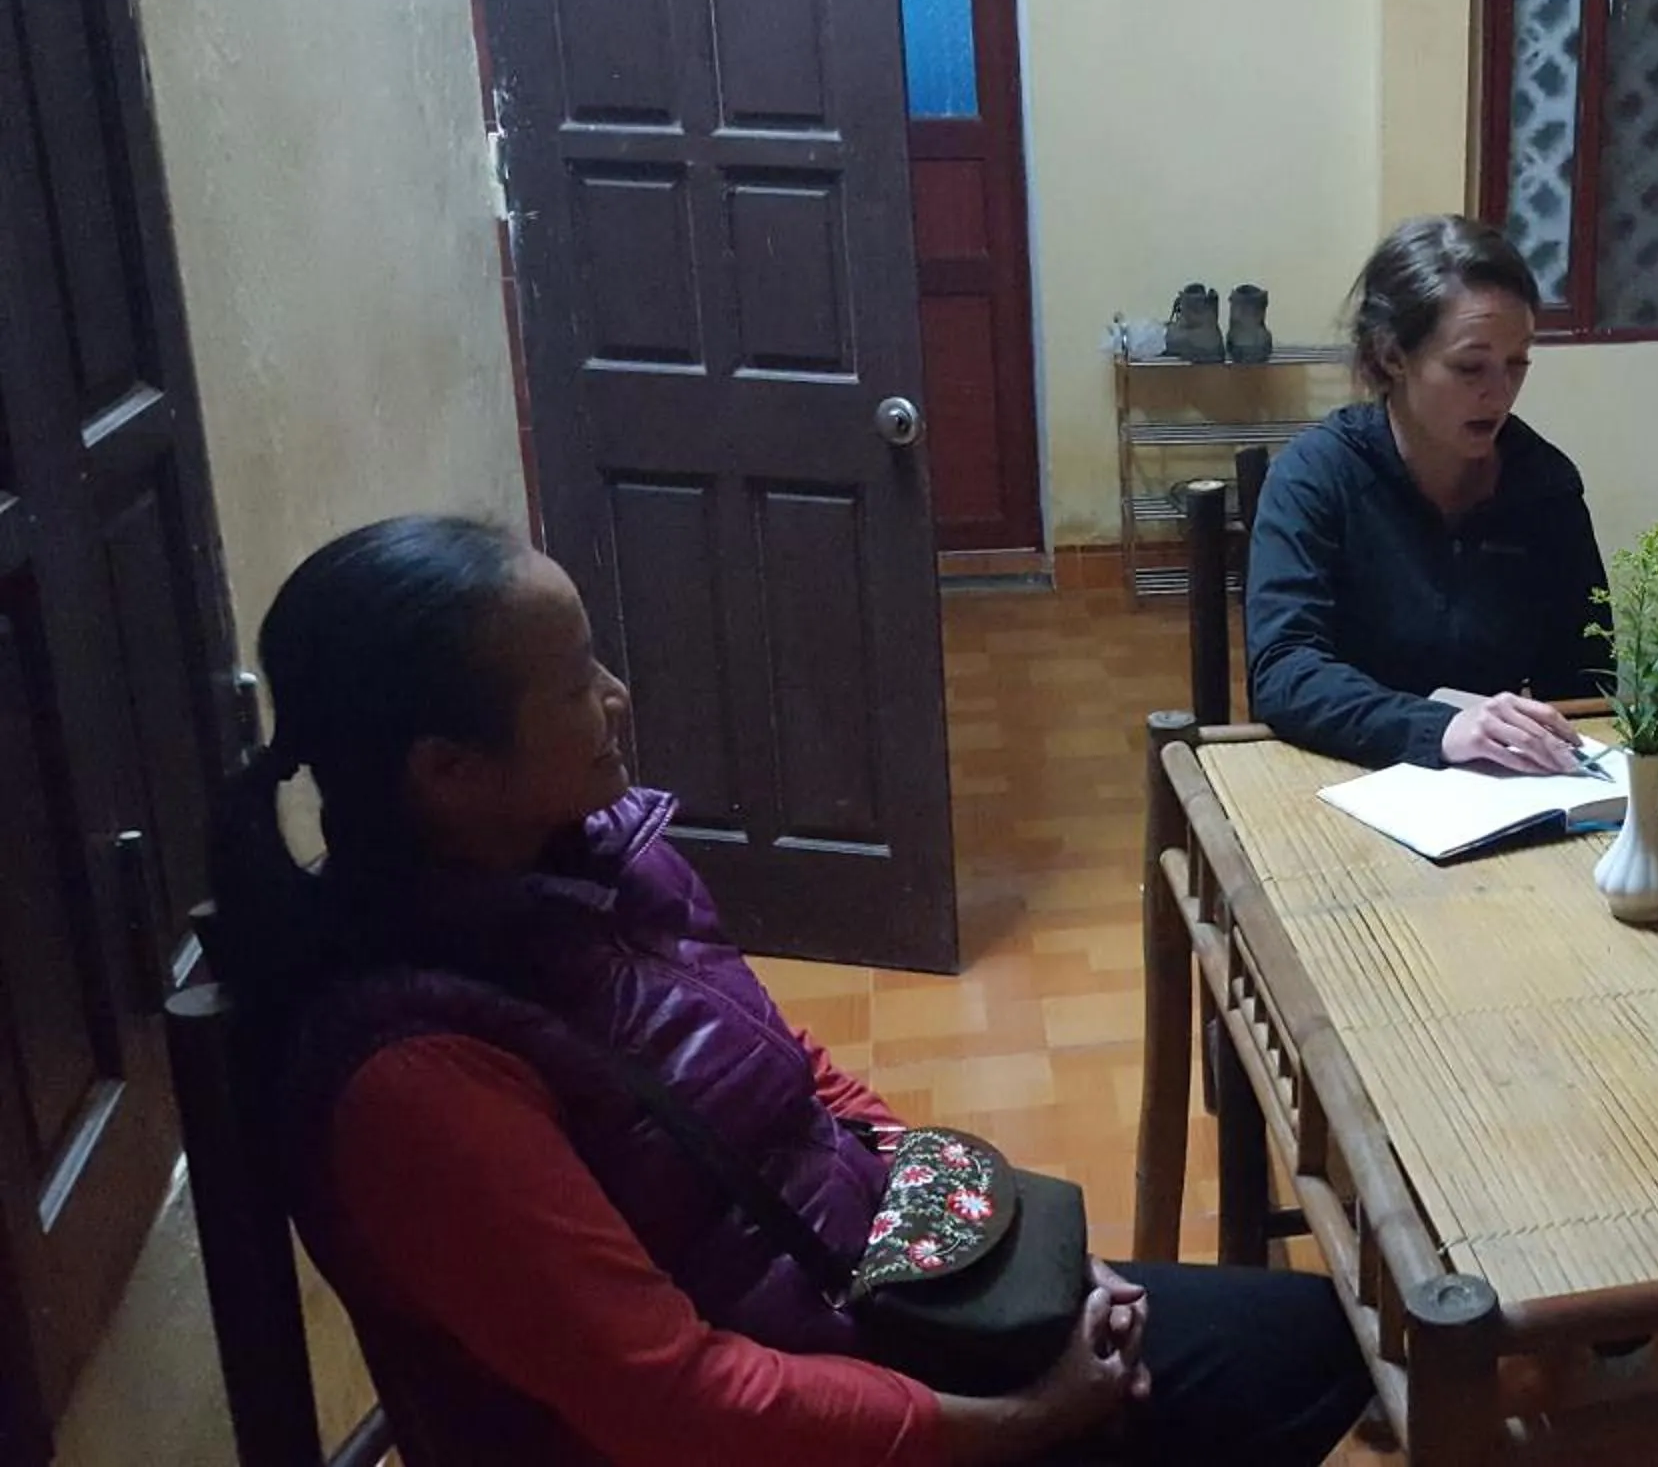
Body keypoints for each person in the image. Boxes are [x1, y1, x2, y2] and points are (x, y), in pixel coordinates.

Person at [207, 516, 1373, 1467]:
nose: (617, 694)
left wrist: (1023, 1260)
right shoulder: (414, 1079)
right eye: (572, 685)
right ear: (448, 770)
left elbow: (793, 1077)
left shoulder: (594, 861)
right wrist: (1019, 1420)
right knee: (1286, 1359)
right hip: (773, 1420)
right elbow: (675, 1400)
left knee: (1307, 1336)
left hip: (848, 1302)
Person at [1246, 215, 1613, 772]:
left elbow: (1587, 677)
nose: (1500, 392)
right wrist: (1440, 729)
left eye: (1517, 364)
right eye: (1470, 367)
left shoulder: (1543, 485)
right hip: (1341, 766)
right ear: (1393, 355)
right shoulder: (1318, 476)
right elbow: (1284, 670)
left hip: (1489, 785)